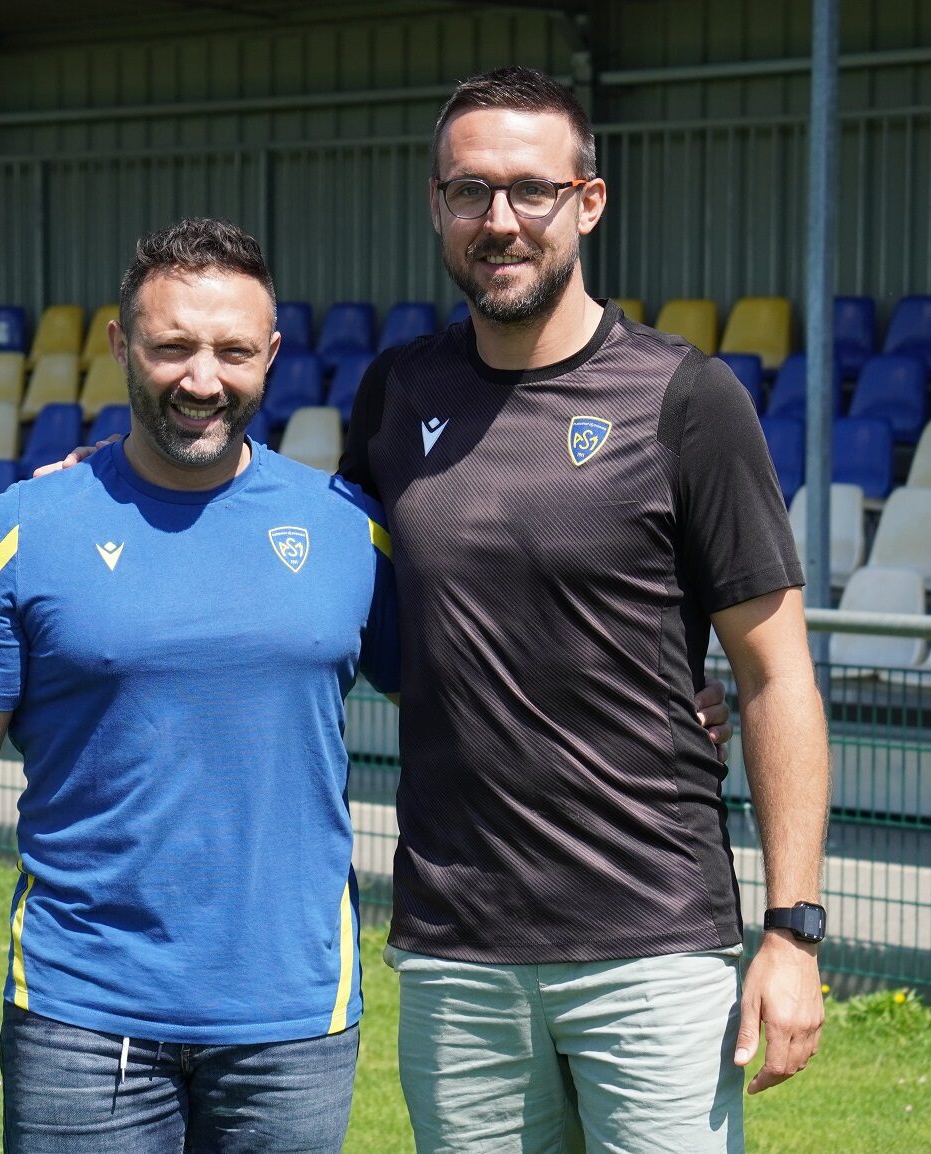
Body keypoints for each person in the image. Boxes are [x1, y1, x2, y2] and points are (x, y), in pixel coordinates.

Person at [334, 66, 830, 1153]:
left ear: (587, 201)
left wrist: (792, 931)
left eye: (530, 190)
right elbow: (317, 570)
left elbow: (775, 672)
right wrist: (124, 469)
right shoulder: (394, 392)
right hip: (456, 947)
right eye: (468, 192)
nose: (498, 220)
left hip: (647, 943)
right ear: (434, 205)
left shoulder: (686, 399)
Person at [0, 218, 402, 1153]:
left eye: (232, 351)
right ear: (120, 344)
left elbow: (482, 685)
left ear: (272, 356)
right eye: (172, 347)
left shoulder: (344, 530)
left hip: (292, 1021)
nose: (202, 379)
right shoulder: (21, 531)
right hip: (80, 1016)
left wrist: (658, 705)